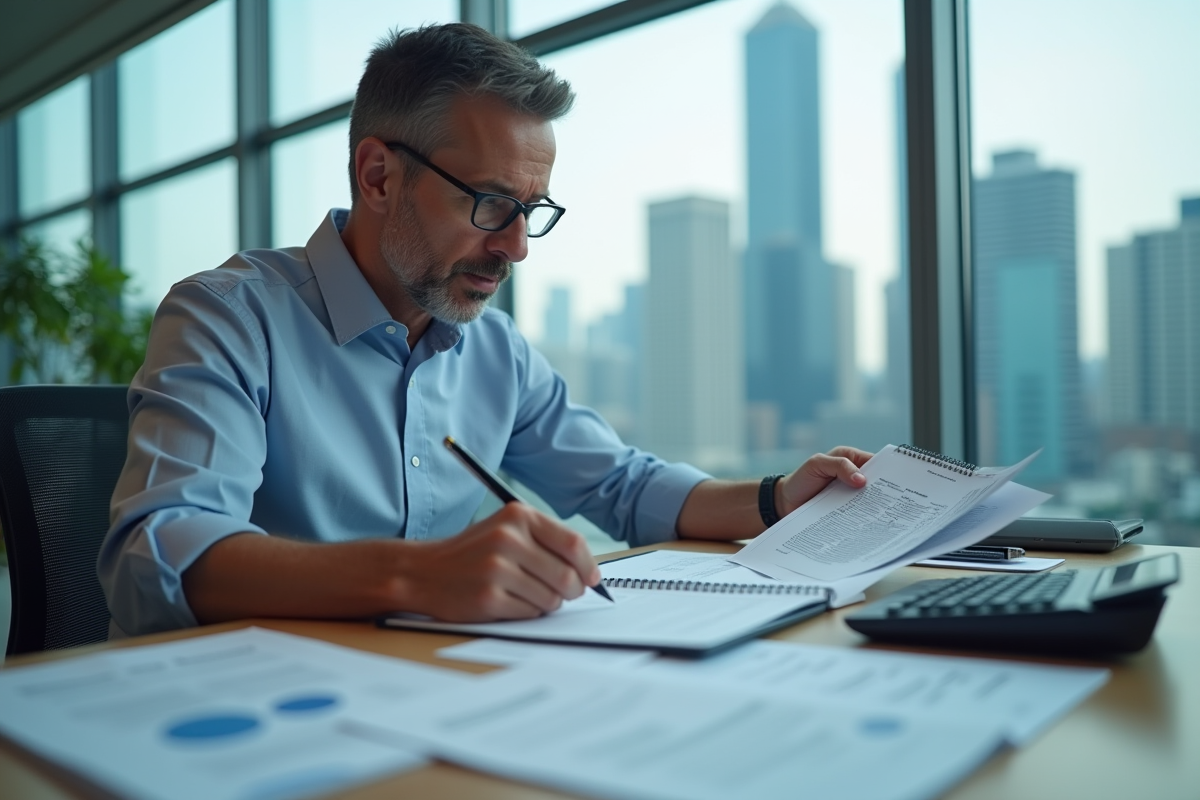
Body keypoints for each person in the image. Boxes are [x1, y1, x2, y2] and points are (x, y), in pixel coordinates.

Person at [99, 22, 871, 637]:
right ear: (378, 177)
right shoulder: (230, 317)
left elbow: (620, 485)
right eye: (491, 202)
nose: (516, 246)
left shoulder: (493, 350)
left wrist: (775, 500)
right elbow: (156, 554)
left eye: (532, 211)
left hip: (428, 689)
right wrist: (420, 577)